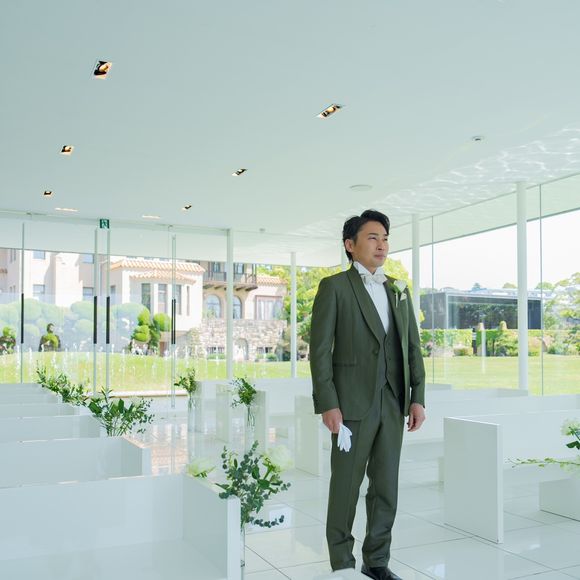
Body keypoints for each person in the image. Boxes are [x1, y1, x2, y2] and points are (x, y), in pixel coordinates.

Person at [310, 209, 426, 580]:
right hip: (351, 406)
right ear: (350, 245)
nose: (382, 245)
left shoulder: (399, 289)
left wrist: (417, 396)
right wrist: (328, 403)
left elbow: (412, 347)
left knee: (386, 487)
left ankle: (376, 561)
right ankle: (342, 564)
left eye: (385, 239)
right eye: (373, 238)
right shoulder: (334, 287)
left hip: (393, 401)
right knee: (346, 487)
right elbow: (319, 351)